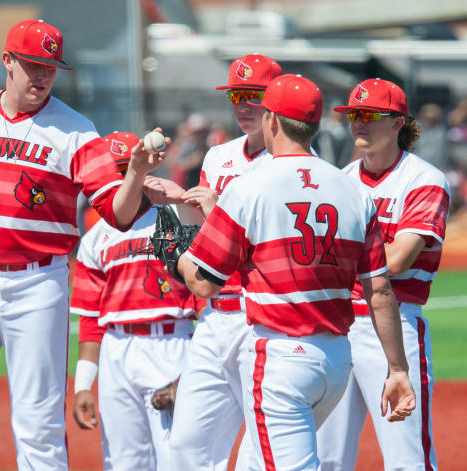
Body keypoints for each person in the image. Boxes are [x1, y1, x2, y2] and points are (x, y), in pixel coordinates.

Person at [0, 20, 166, 471]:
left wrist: (136, 174)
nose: (42, 75)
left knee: (39, 425)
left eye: (50, 66)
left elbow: (119, 215)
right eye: (33, 64)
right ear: (8, 61)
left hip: (39, 283)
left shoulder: (77, 130)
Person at [174, 73, 416, 470]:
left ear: (271, 121)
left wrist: (180, 253)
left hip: (280, 357)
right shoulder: (354, 190)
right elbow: (379, 292)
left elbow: (203, 282)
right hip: (337, 360)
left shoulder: (250, 187)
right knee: (258, 460)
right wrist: (397, 368)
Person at [316, 79, 451, 470]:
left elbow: (398, 261)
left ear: (397, 123)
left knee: (406, 456)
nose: (358, 123)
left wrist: (338, 259)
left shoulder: (424, 179)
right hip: (337, 325)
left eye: (369, 115)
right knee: (326, 457)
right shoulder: (339, 180)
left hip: (393, 325)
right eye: (354, 115)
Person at [167, 54, 284, 470]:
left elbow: (278, 243)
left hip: (263, 317)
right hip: (216, 315)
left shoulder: (293, 163)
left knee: (260, 449)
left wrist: (220, 209)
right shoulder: (218, 157)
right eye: (238, 94)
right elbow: (206, 232)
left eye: (254, 95)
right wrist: (179, 206)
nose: (244, 105)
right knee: (184, 445)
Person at [70, 131, 201, 470]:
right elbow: (89, 318)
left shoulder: (174, 217)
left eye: (132, 167)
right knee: (123, 462)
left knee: (178, 459)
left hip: (172, 342)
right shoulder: (96, 236)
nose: (126, 177)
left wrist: (192, 371)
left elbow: (205, 299)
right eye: (118, 170)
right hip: (117, 351)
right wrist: (84, 384)